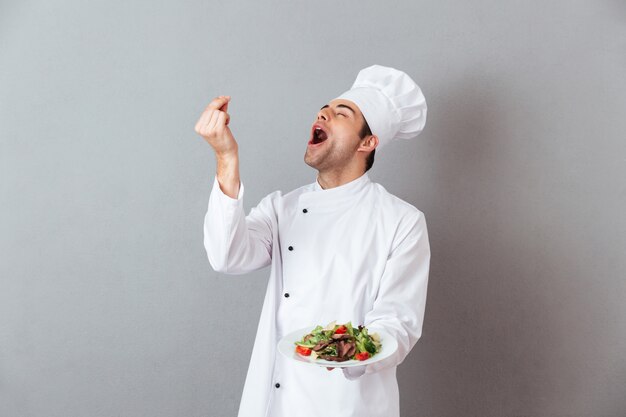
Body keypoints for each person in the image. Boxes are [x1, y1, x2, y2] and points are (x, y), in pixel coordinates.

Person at [195, 65, 430, 417]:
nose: (323, 113)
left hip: (348, 404)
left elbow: (398, 322)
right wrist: (226, 158)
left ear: (367, 142)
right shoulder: (282, 208)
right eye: (324, 109)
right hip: (274, 400)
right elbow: (227, 256)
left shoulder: (401, 221)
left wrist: (345, 350)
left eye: (341, 113)